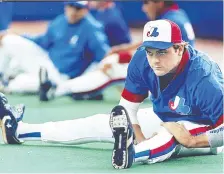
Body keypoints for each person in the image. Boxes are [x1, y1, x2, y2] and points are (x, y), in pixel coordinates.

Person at [0, 20, 223, 169]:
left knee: (170, 135)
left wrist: (193, 140)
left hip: (205, 128)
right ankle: (19, 130)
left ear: (180, 48)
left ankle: (131, 156)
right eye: (150, 51)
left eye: (162, 52)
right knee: (98, 123)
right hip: (165, 116)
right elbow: (127, 109)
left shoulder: (204, 77)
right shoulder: (141, 59)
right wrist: (139, 137)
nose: (155, 59)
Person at [39, 0, 196, 101]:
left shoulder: (167, 21)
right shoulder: (175, 15)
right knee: (112, 67)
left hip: (170, 82)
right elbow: (147, 45)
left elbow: (147, 55)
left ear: (160, 2)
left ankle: (57, 89)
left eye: (146, 3)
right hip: (174, 76)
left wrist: (117, 58)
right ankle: (71, 89)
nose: (143, 7)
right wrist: (119, 50)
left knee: (110, 70)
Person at [0, 1, 109, 94]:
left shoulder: (92, 28)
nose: (73, 12)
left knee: (20, 83)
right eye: (71, 6)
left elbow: (103, 55)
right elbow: (42, 41)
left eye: (78, 8)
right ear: (66, 6)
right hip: (46, 62)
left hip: (61, 76)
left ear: (86, 10)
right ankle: (3, 76)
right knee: (8, 39)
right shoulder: (60, 21)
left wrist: (83, 81)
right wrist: (17, 34)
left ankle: (11, 81)